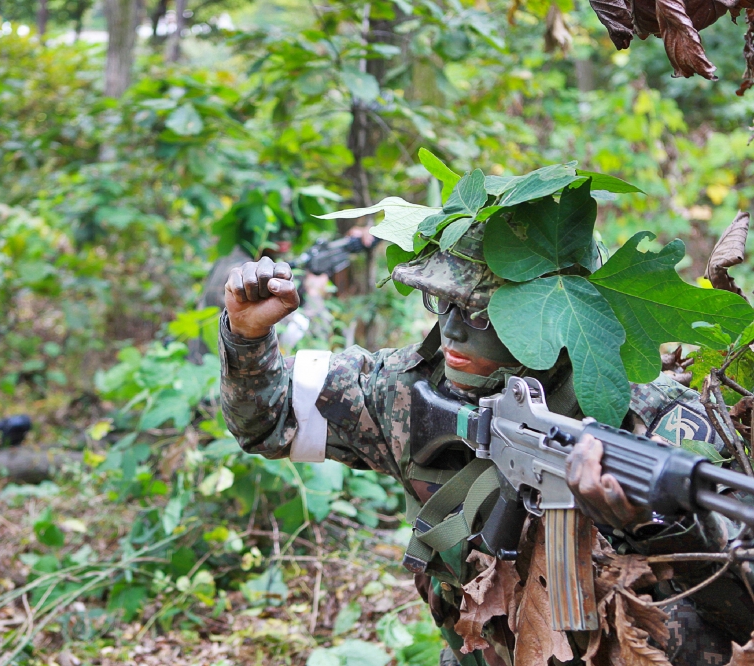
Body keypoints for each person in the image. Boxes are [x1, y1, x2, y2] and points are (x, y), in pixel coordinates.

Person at [218, 223, 750, 665]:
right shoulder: (407, 390)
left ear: (553, 318)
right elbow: (266, 420)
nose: (451, 331)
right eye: (441, 302)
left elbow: (743, 616)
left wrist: (657, 531)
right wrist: (246, 337)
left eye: (480, 312)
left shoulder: (653, 420)